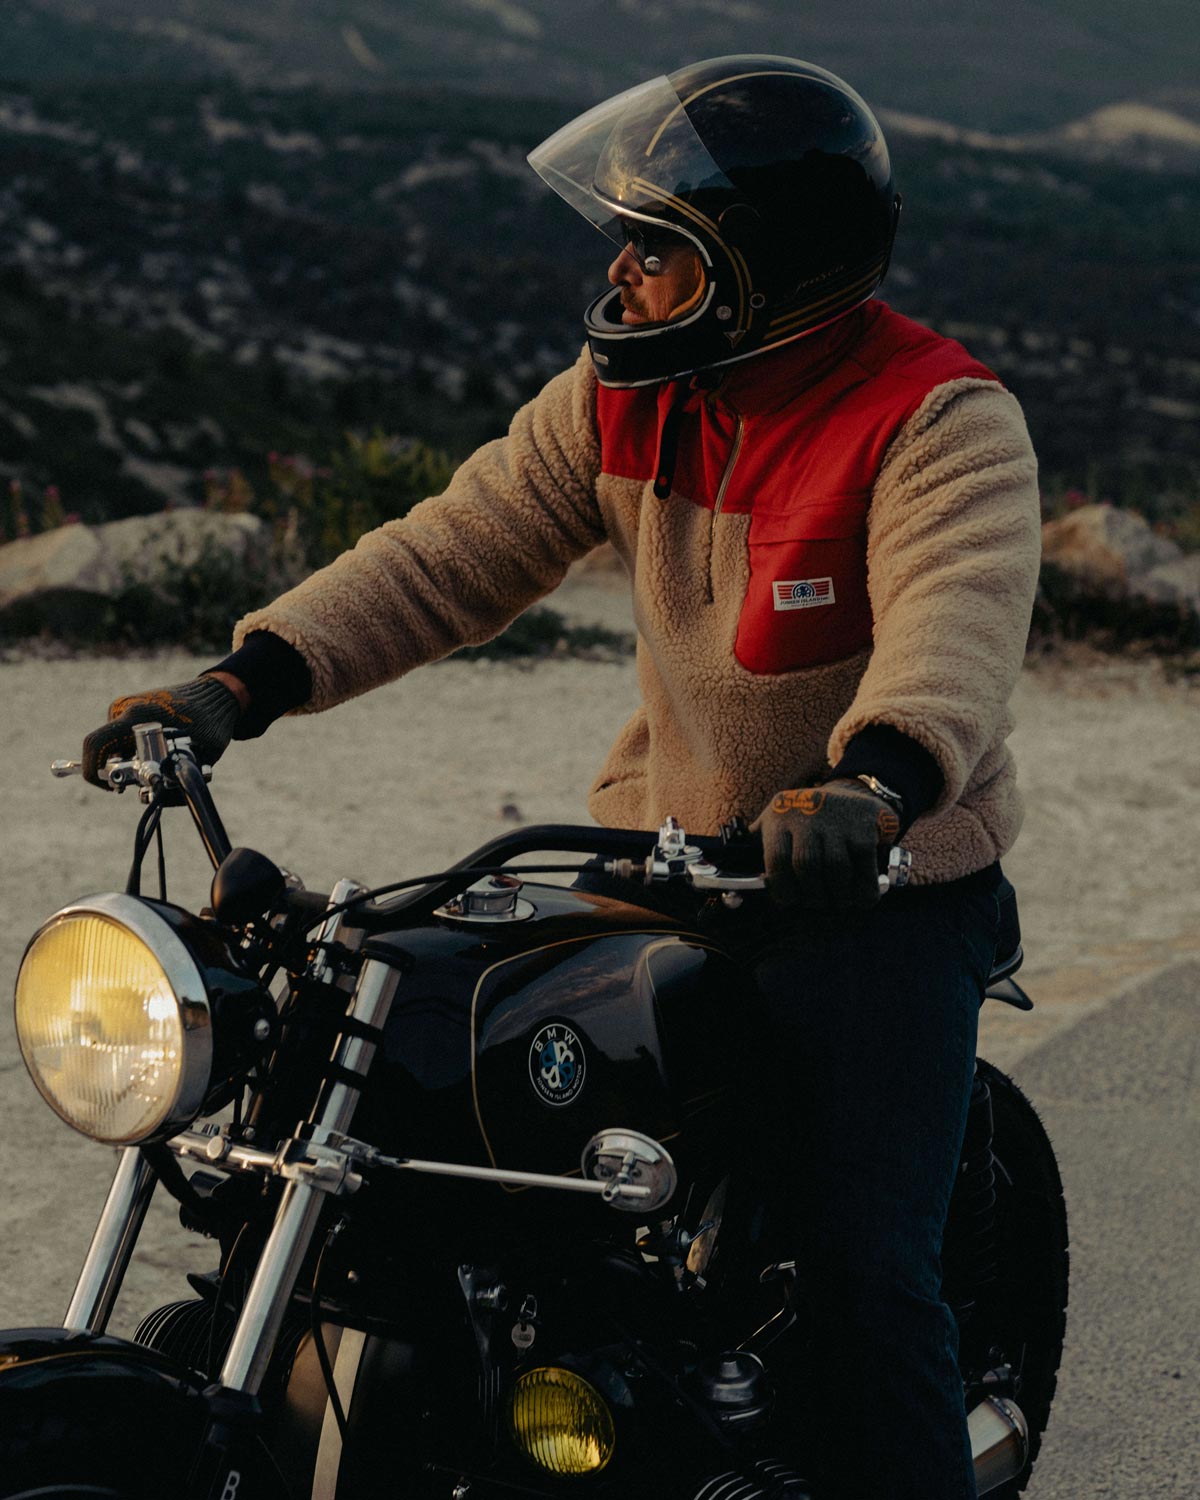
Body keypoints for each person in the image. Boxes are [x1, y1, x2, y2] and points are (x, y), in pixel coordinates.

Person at [83, 57, 1041, 1499]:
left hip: (875, 884)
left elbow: (952, 626)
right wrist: (243, 682)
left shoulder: (937, 420)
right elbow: (449, 554)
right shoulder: (625, 399)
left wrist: (876, 786)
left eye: (658, 248)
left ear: (763, 270)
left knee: (863, 1273)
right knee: (426, 1127)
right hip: (661, 859)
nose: (620, 271)